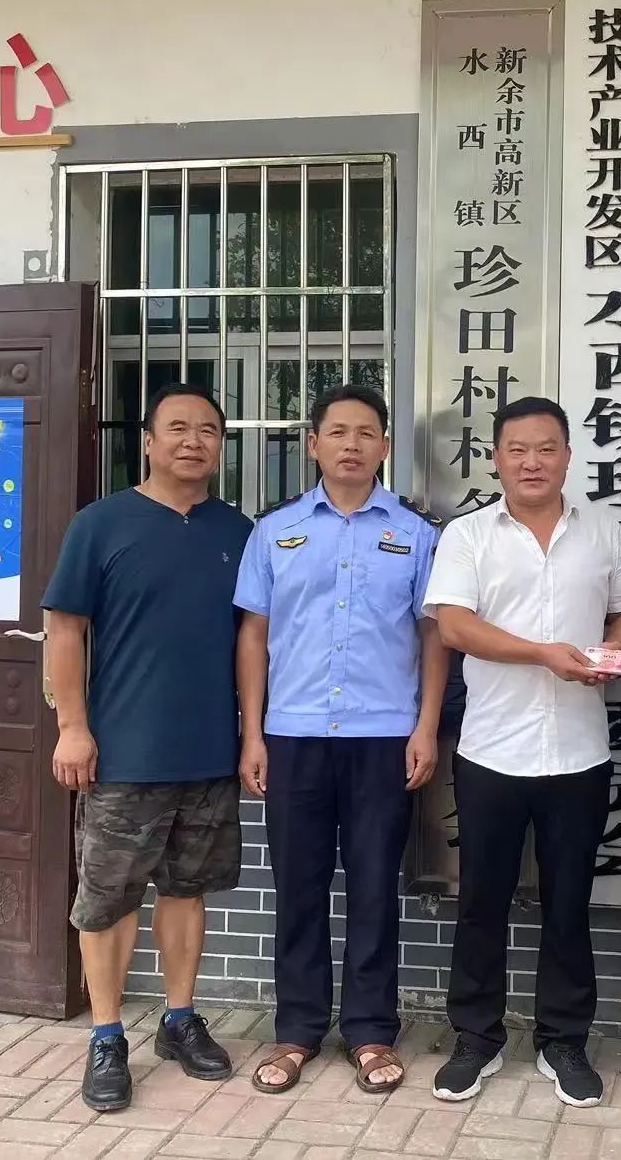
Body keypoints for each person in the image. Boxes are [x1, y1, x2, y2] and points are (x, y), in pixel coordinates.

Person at [422, 396, 621, 1107]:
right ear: (496, 458)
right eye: (517, 449)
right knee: (480, 904)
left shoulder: (601, 528)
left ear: (567, 457)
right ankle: (476, 1038)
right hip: (492, 749)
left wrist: (611, 653)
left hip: (579, 752)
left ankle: (564, 1041)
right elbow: (454, 627)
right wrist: (544, 653)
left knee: (568, 905)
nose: (531, 462)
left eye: (546, 448)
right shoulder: (468, 534)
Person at [42, 382, 252, 1113]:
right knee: (108, 900)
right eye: (178, 428)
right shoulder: (101, 524)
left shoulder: (238, 531)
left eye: (208, 430)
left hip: (209, 750)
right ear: (149, 441)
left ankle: (179, 1019)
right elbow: (64, 630)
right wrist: (73, 726)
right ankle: (106, 1037)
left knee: (187, 892)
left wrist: (250, 736)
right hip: (123, 752)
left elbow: (253, 640)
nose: (194, 441)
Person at [234, 384, 446, 1096]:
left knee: (374, 887)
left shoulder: (415, 536)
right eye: (337, 432)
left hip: (383, 737)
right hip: (293, 735)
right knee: (297, 887)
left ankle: (370, 1031)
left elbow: (434, 635)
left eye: (366, 433)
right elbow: (254, 635)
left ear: (385, 446)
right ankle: (296, 1030)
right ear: (313, 443)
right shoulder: (275, 531)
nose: (351, 445)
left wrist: (425, 726)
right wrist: (253, 733)